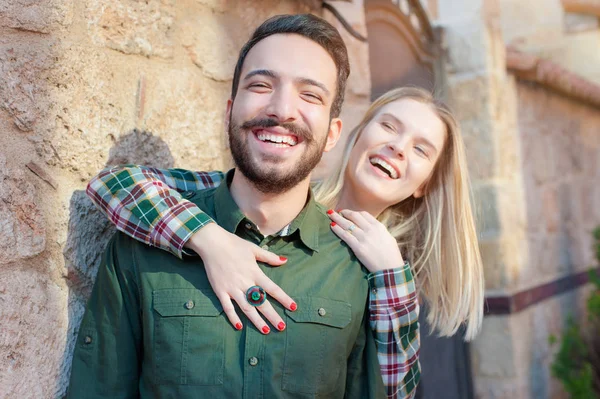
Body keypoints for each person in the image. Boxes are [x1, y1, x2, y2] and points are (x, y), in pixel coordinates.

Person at [87, 85, 485, 398]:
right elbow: (115, 185)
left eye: (420, 149)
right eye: (389, 126)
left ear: (426, 184)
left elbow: (393, 390)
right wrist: (209, 239)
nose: (398, 147)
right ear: (354, 133)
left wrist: (391, 275)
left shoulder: (387, 275)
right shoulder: (268, 192)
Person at [69, 13, 390, 398]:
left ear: (332, 133)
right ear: (229, 110)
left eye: (310, 94)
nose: (282, 109)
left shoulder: (355, 268)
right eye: (261, 84)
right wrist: (207, 238)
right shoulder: (143, 246)